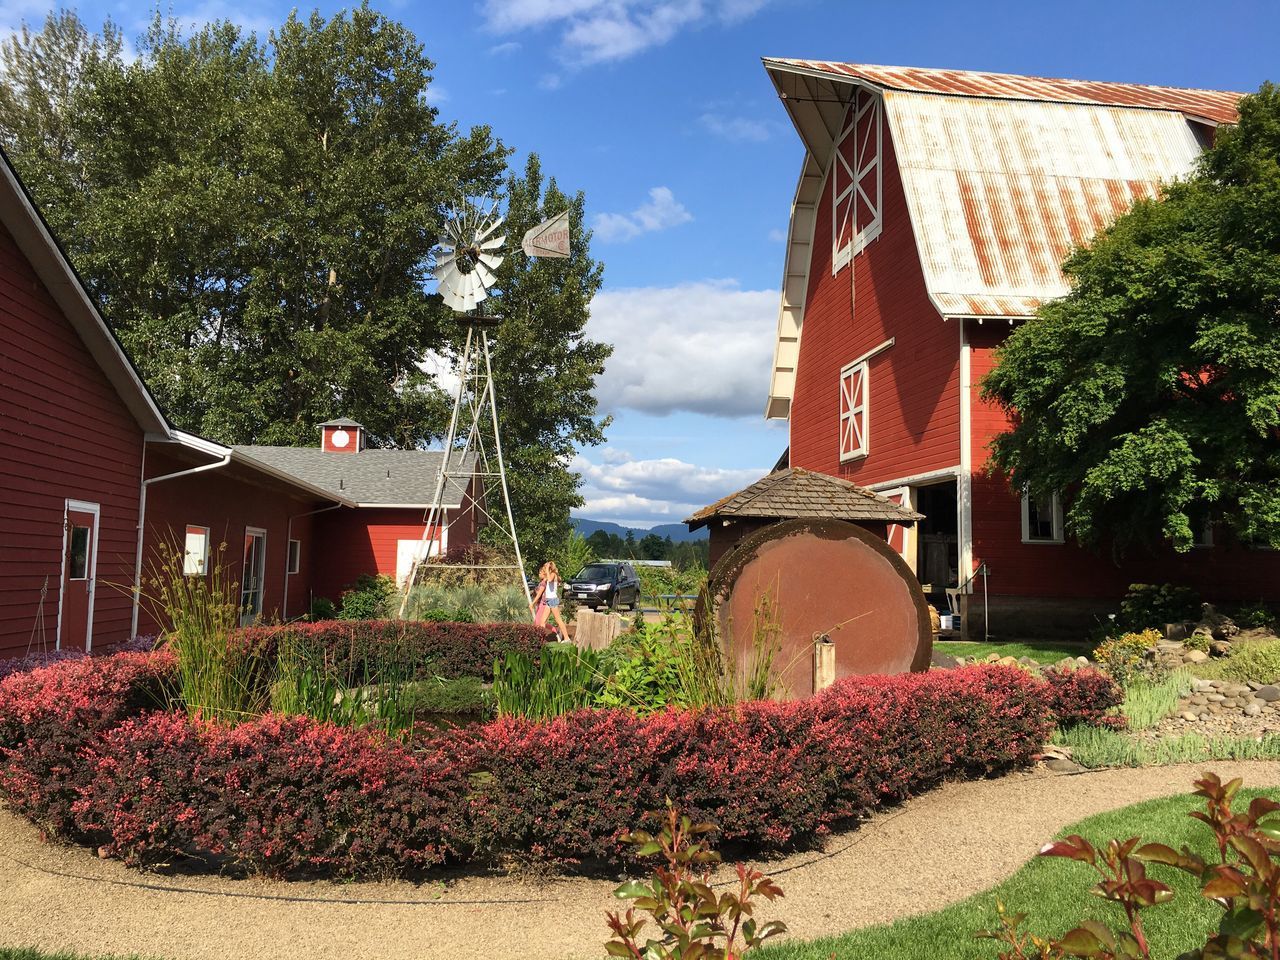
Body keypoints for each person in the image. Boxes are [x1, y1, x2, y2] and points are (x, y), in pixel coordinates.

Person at [529, 561, 569, 641]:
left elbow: (550, 580)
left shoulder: (553, 574)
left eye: (545, 567)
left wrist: (547, 568)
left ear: (549, 568)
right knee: (542, 622)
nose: (544, 569)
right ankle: (541, 639)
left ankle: (567, 638)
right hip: (548, 601)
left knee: (558, 620)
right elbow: (545, 579)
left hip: (553, 600)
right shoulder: (549, 575)